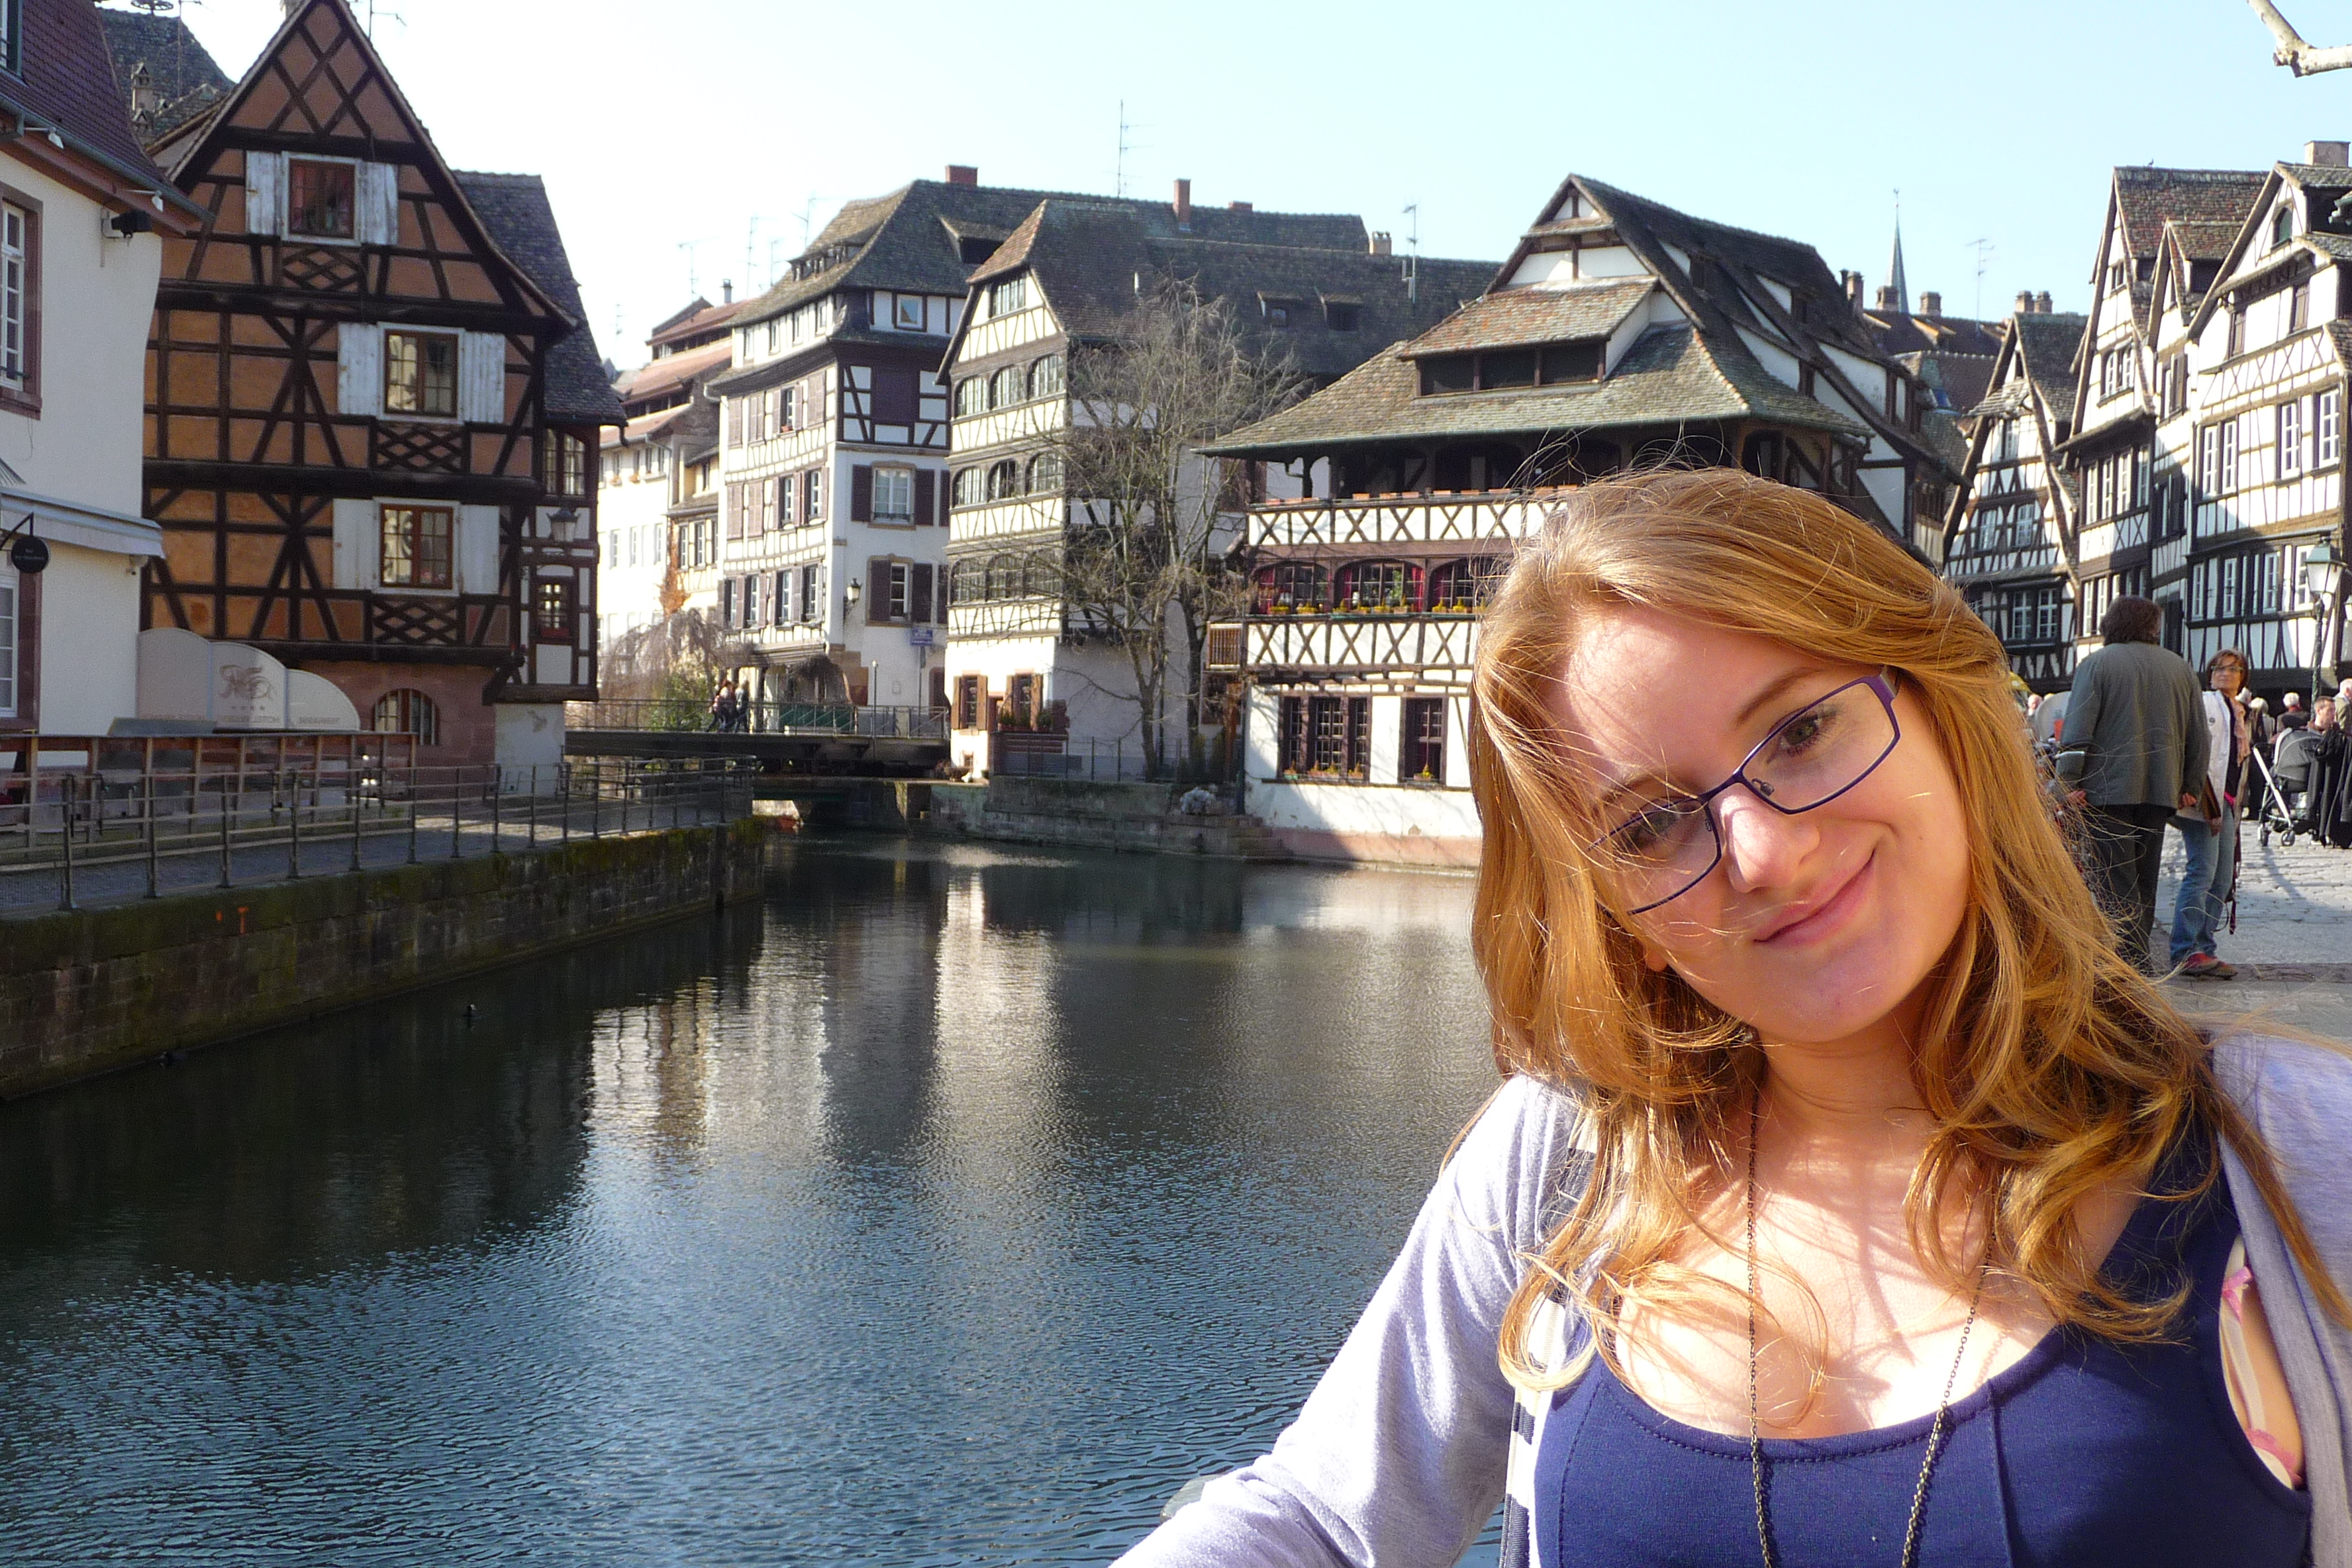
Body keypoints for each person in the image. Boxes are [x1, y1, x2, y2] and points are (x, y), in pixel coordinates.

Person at [1115, 470, 2352, 1568]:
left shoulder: (2291, 1161)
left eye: (1801, 731)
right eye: (1653, 823)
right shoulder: (1564, 1169)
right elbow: (1327, 1522)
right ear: (1616, 913)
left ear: (1941, 712)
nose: (1762, 852)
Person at [2051, 597, 2208, 973]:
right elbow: (2199, 735)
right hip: (2160, 790)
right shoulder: (2180, 667)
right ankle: (2137, 962)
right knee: (2145, 879)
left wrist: (2066, 783)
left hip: (2105, 791)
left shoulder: (2097, 665)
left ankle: (2130, 965)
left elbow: (2077, 731)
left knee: (2115, 881)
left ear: (2111, 623)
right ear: (2153, 627)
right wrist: (2191, 783)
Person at [2169, 650, 2249, 979]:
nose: (2225, 673)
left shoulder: (2239, 711)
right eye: (2218, 668)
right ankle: (2186, 950)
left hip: (2226, 801)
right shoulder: (2206, 704)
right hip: (2202, 797)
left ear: (2243, 675)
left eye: (2233, 668)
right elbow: (2196, 751)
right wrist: (2194, 790)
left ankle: (2204, 946)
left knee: (2222, 877)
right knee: (2202, 870)